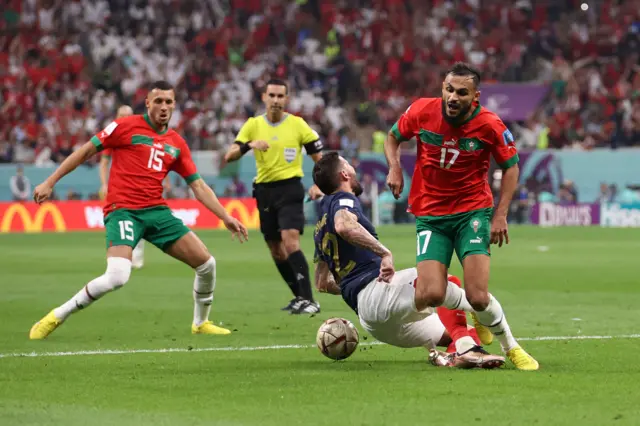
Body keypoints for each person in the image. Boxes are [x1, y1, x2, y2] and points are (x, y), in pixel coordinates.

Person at [29, 81, 248, 340]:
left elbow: (198, 186)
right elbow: (86, 151)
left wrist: (225, 217)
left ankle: (200, 323)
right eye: (158, 101)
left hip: (156, 211)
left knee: (207, 264)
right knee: (117, 276)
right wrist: (50, 181)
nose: (164, 107)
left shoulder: (176, 143)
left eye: (169, 102)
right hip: (123, 211)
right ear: (147, 103)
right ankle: (58, 315)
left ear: (175, 105)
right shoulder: (125, 126)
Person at [384, 62, 538, 370]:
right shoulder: (421, 111)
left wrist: (500, 214)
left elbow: (511, 166)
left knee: (478, 297)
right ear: (442, 88)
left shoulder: (490, 125)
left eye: (462, 93)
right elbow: (392, 137)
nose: (453, 97)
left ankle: (511, 346)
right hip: (430, 214)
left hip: (472, 213)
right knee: (430, 294)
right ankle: (473, 318)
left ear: (475, 96)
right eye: (449, 90)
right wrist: (395, 166)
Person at [312, 153, 505, 369]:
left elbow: (322, 283)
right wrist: (384, 253)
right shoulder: (343, 199)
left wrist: (351, 285)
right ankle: (478, 327)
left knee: (454, 333)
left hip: (373, 320)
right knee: (440, 280)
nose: (353, 168)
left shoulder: (319, 227)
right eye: (349, 164)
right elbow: (344, 226)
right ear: (344, 174)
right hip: (378, 295)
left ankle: (457, 355)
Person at [224, 79, 324, 314]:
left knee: (290, 241)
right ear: (264, 98)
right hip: (264, 192)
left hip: (290, 188)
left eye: (281, 96)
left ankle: (310, 300)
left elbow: (320, 159)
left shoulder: (298, 125)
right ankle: (299, 297)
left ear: (287, 99)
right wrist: (249, 145)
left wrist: (319, 184)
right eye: (272, 95)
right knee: (276, 250)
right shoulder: (253, 125)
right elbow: (229, 156)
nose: (276, 100)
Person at [99, 105, 146, 269]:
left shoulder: (141, 135)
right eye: (121, 115)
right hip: (120, 188)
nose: (124, 119)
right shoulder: (112, 137)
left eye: (127, 116)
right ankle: (121, 255)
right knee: (120, 219)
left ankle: (136, 254)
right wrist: (104, 183)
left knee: (140, 218)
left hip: (141, 185)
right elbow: (104, 163)